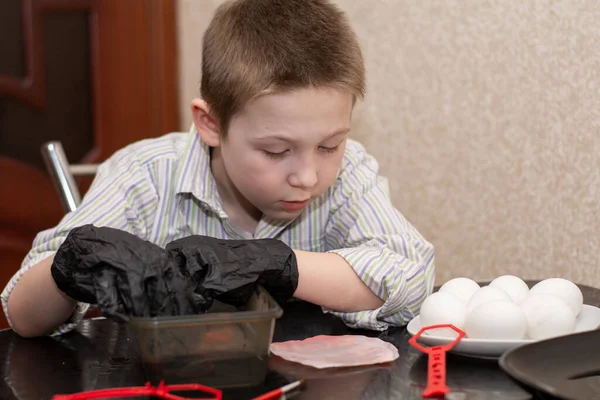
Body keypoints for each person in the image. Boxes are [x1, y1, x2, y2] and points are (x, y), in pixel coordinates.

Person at [2, 0, 435, 338]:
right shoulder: (146, 176)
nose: (308, 176)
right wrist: (68, 267)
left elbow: (411, 277)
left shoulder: (349, 172)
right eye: (275, 151)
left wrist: (278, 264)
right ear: (211, 124)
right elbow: (23, 318)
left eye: (329, 145)